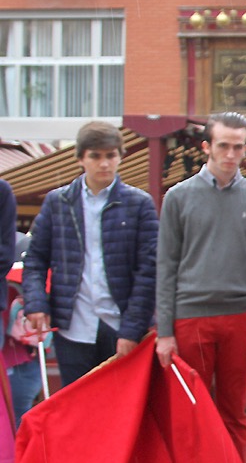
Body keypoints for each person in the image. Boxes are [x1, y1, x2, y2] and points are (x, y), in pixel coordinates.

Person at [156, 112, 246, 463]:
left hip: (242, 316)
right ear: (207, 146)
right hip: (189, 316)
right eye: (223, 145)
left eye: (238, 147)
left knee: (234, 413)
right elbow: (166, 267)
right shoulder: (178, 197)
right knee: (190, 410)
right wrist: (164, 330)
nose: (230, 154)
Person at [22, 122, 157, 388]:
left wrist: (132, 329)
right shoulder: (57, 202)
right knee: (77, 414)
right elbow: (35, 259)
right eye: (96, 156)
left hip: (120, 326)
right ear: (81, 158)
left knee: (119, 414)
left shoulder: (139, 204)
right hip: (72, 326)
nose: (104, 163)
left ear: (120, 156)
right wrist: (36, 303)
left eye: (111, 155)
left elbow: (150, 272)